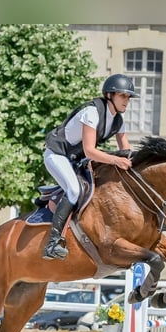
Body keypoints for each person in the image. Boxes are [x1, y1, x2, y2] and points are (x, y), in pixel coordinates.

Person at [42, 74, 138, 260]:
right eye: (123, 96)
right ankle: (53, 242)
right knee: (74, 190)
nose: (127, 101)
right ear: (110, 95)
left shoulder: (118, 121)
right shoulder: (92, 112)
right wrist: (116, 160)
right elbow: (89, 151)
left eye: (128, 97)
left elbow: (126, 151)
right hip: (57, 155)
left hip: (74, 160)